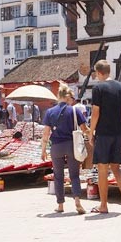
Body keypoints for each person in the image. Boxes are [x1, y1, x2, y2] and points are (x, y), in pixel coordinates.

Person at [89, 60, 121, 214]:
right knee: (116, 168)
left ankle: (103, 205)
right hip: (117, 132)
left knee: (102, 169)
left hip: (104, 132)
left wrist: (91, 132)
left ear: (98, 72)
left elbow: (95, 113)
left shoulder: (97, 88)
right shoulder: (120, 87)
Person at [41, 83, 89, 214]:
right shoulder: (75, 110)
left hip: (56, 147)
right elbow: (84, 129)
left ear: (58, 96)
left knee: (58, 176)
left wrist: (43, 150)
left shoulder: (50, 112)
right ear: (68, 97)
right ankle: (77, 201)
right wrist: (92, 135)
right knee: (74, 175)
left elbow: (46, 134)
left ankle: (60, 205)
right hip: (71, 146)